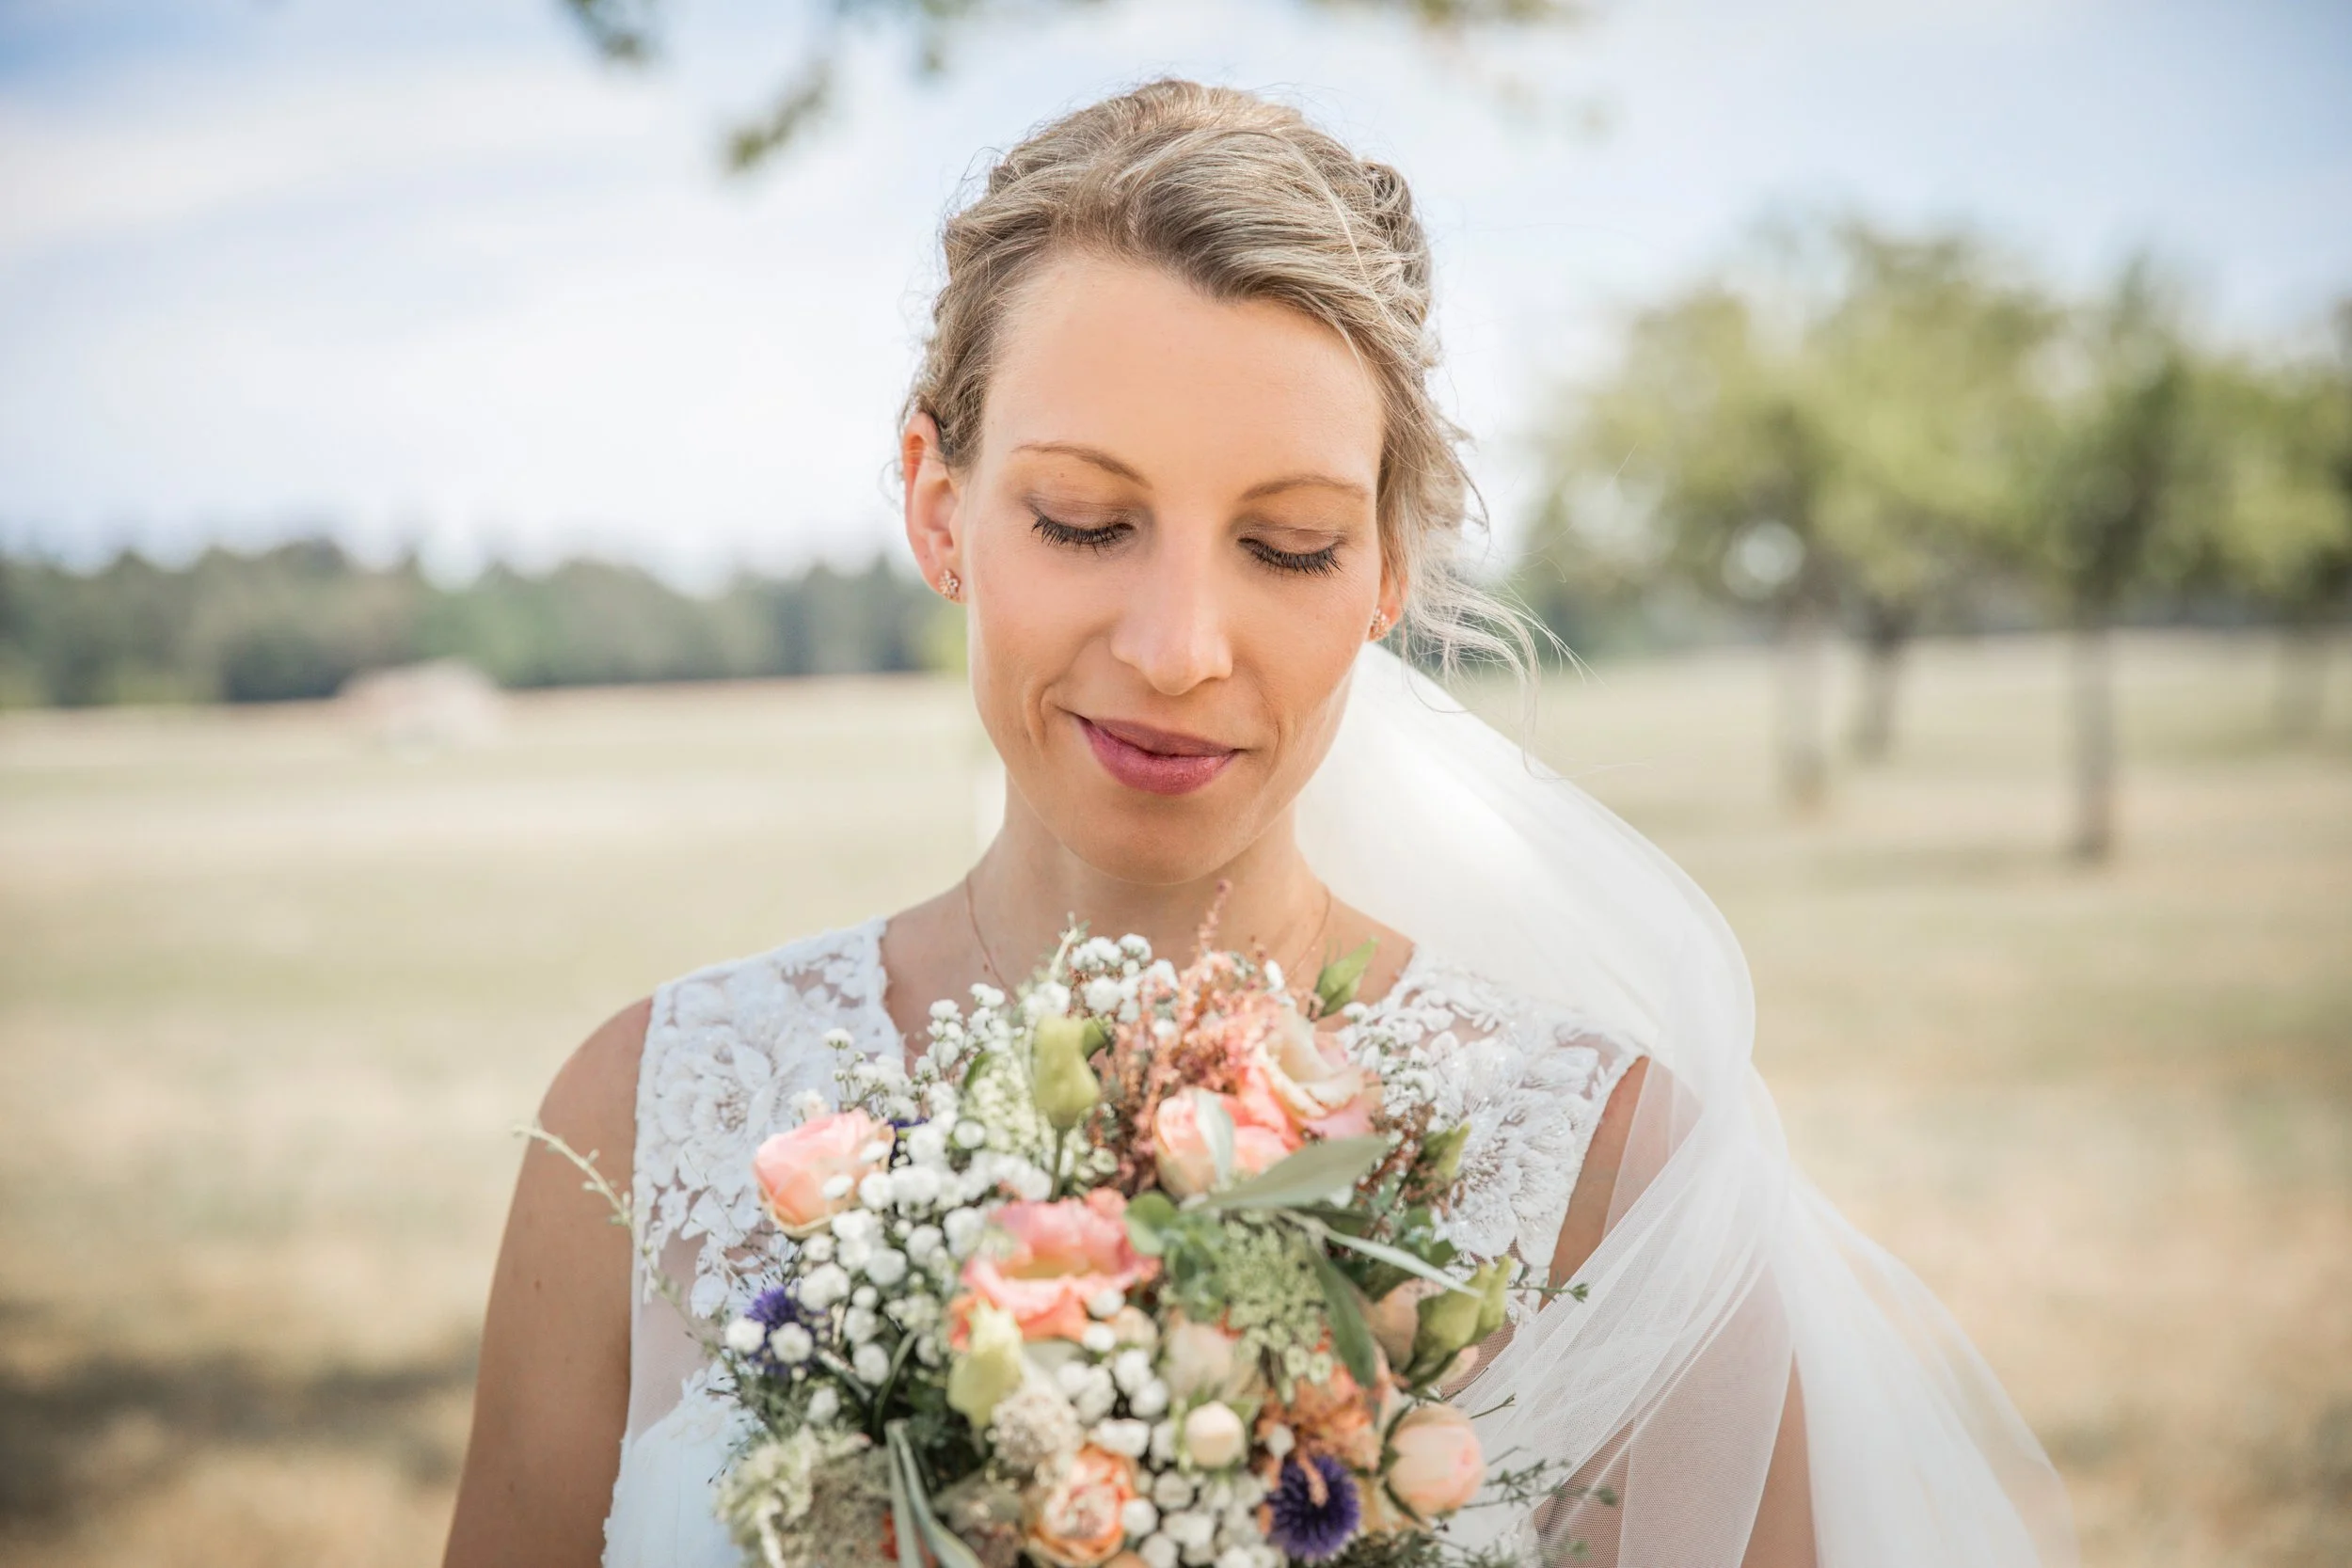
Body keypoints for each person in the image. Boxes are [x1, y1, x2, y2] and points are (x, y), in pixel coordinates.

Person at [444, 80, 2074, 1568]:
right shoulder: (646, 1118)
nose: (1177, 647)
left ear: (1385, 577)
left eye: (1285, 545)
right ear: (940, 508)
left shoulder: (1611, 1184)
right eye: (1086, 520)